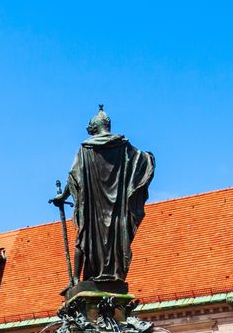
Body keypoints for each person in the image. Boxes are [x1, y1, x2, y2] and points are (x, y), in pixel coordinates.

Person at [51, 109, 155, 292]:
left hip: (91, 206)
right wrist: (149, 158)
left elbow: (74, 177)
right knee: (116, 240)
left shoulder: (86, 148)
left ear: (95, 127)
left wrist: (63, 196)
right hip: (117, 208)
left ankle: (75, 279)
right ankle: (113, 275)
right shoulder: (124, 147)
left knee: (83, 238)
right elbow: (143, 160)